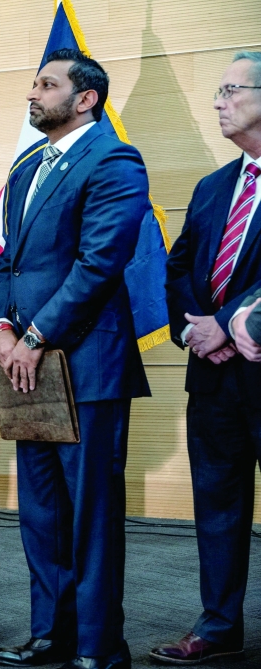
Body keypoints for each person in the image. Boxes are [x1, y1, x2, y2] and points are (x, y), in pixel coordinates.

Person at [0, 49, 150, 669]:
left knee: (91, 517)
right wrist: (3, 328)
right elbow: (8, 260)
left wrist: (35, 337)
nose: (33, 94)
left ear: (85, 99)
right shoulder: (29, 165)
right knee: (42, 513)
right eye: (34, 84)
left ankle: (98, 647)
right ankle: (50, 636)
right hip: (26, 368)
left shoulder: (113, 159)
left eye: (47, 85)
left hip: (87, 366)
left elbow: (99, 263)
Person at [152, 51, 261, 666]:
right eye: (217, 91)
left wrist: (227, 322)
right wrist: (197, 332)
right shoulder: (213, 185)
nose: (218, 102)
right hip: (214, 378)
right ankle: (219, 627)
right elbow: (177, 268)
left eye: (231, 90)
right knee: (218, 507)